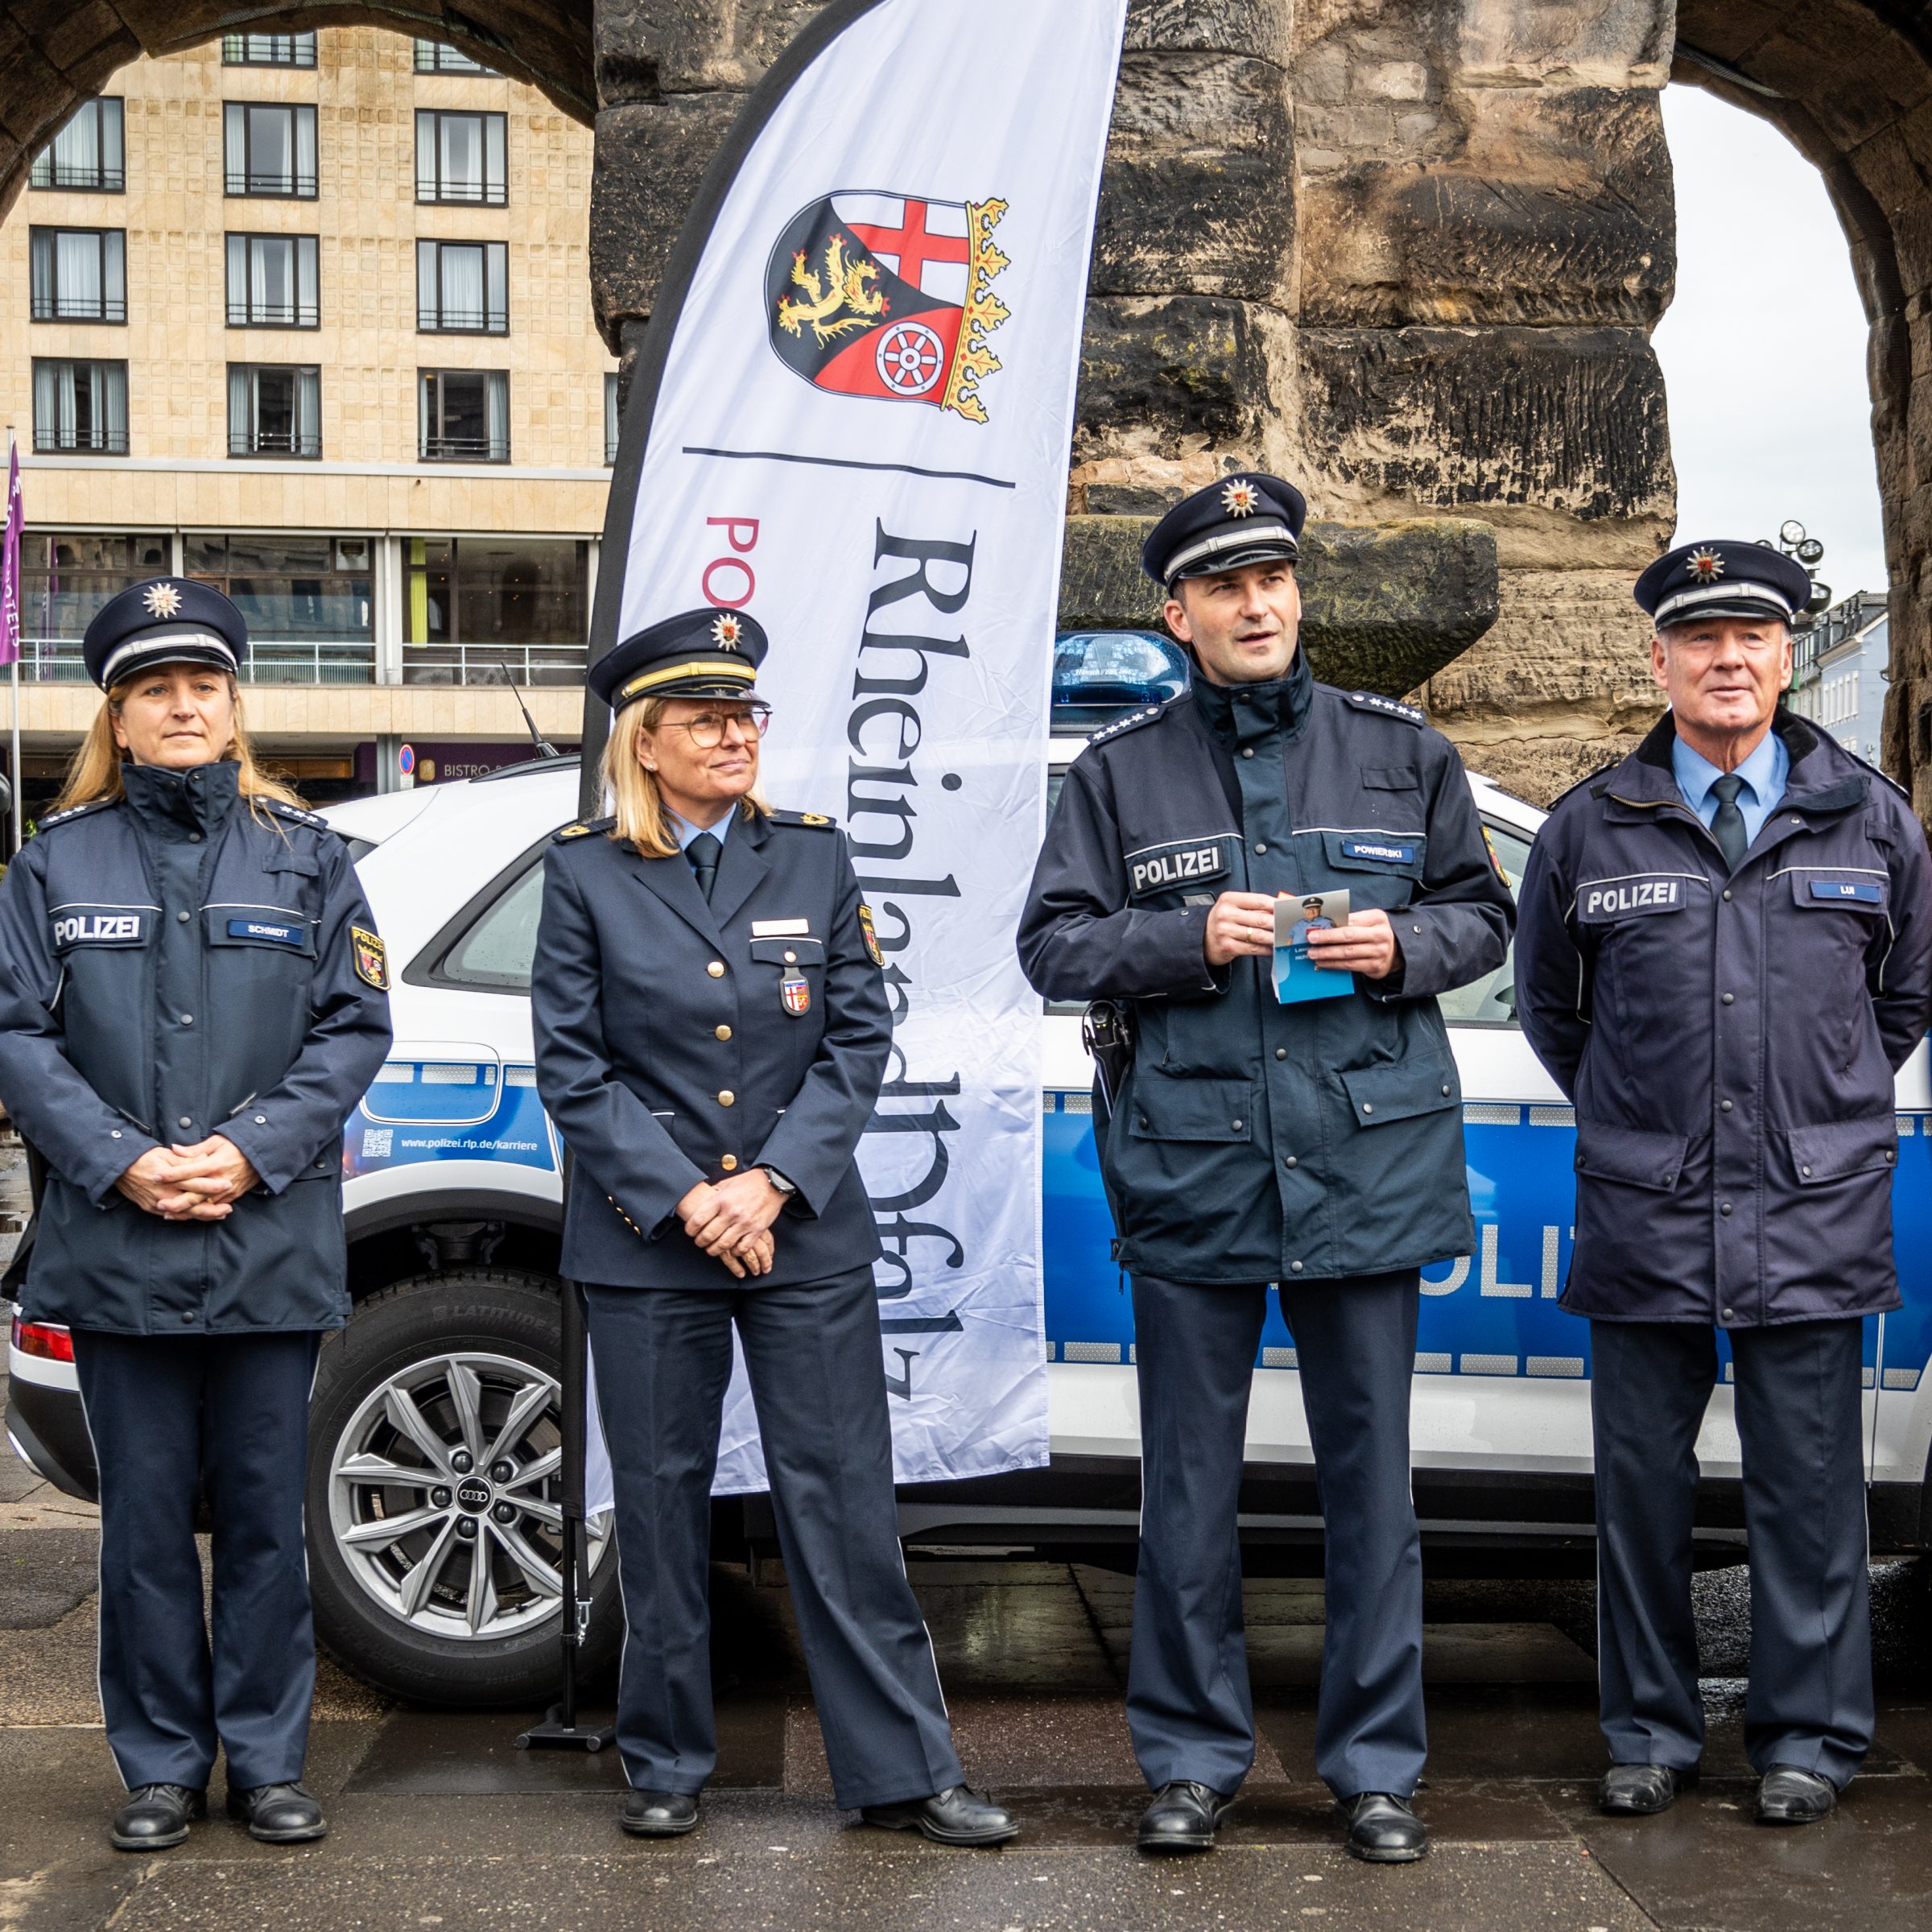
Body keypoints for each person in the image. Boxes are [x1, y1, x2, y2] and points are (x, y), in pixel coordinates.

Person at [1017, 477, 1515, 1860]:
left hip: (1364, 1168)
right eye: (1225, 587)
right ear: (1178, 613)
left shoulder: (1402, 756)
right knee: (1186, 1491)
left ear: (1299, 596)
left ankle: (1374, 1773)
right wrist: (1191, 941)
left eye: (1274, 580)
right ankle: (1188, 1763)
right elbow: (1053, 947)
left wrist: (1402, 948)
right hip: (1196, 1173)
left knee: (1375, 1490)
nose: (1256, 605)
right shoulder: (1120, 774)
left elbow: (1486, 914)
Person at [530, 607, 1017, 1847]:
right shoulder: (585, 869)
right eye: (706, 718)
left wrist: (774, 1183)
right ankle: (666, 1761)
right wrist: (695, 1194)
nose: (736, 735)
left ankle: (905, 1769)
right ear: (646, 742)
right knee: (658, 1502)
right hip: (650, 1238)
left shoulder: (812, 855)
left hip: (798, 1232)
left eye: (746, 714)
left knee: (844, 1500)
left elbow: (860, 1033)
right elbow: (573, 1067)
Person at [1515, 540, 1932, 1826]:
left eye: (1752, 636)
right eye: (1701, 638)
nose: (1729, 659)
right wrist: (1652, 1123)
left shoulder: (1872, 815)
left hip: (1811, 1206)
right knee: (1639, 1491)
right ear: (1661, 659)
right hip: (1648, 1207)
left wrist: (1807, 1114)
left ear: (1788, 655)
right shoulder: (1592, 822)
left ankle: (1807, 1740)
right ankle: (1648, 1731)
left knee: (1807, 1494)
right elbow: (1551, 1009)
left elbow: (1901, 1000)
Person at [0, 580, 392, 1852]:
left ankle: (271, 1760)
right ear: (117, 711)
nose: (183, 706)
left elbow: (354, 1027)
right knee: (146, 1532)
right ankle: (162, 1766)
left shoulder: (309, 856)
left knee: (269, 1521)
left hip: (266, 1241)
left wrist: (247, 1151)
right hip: (118, 1249)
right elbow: (16, 1032)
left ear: (235, 705)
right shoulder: (53, 864)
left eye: (204, 685)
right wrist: (121, 1160)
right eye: (156, 688)